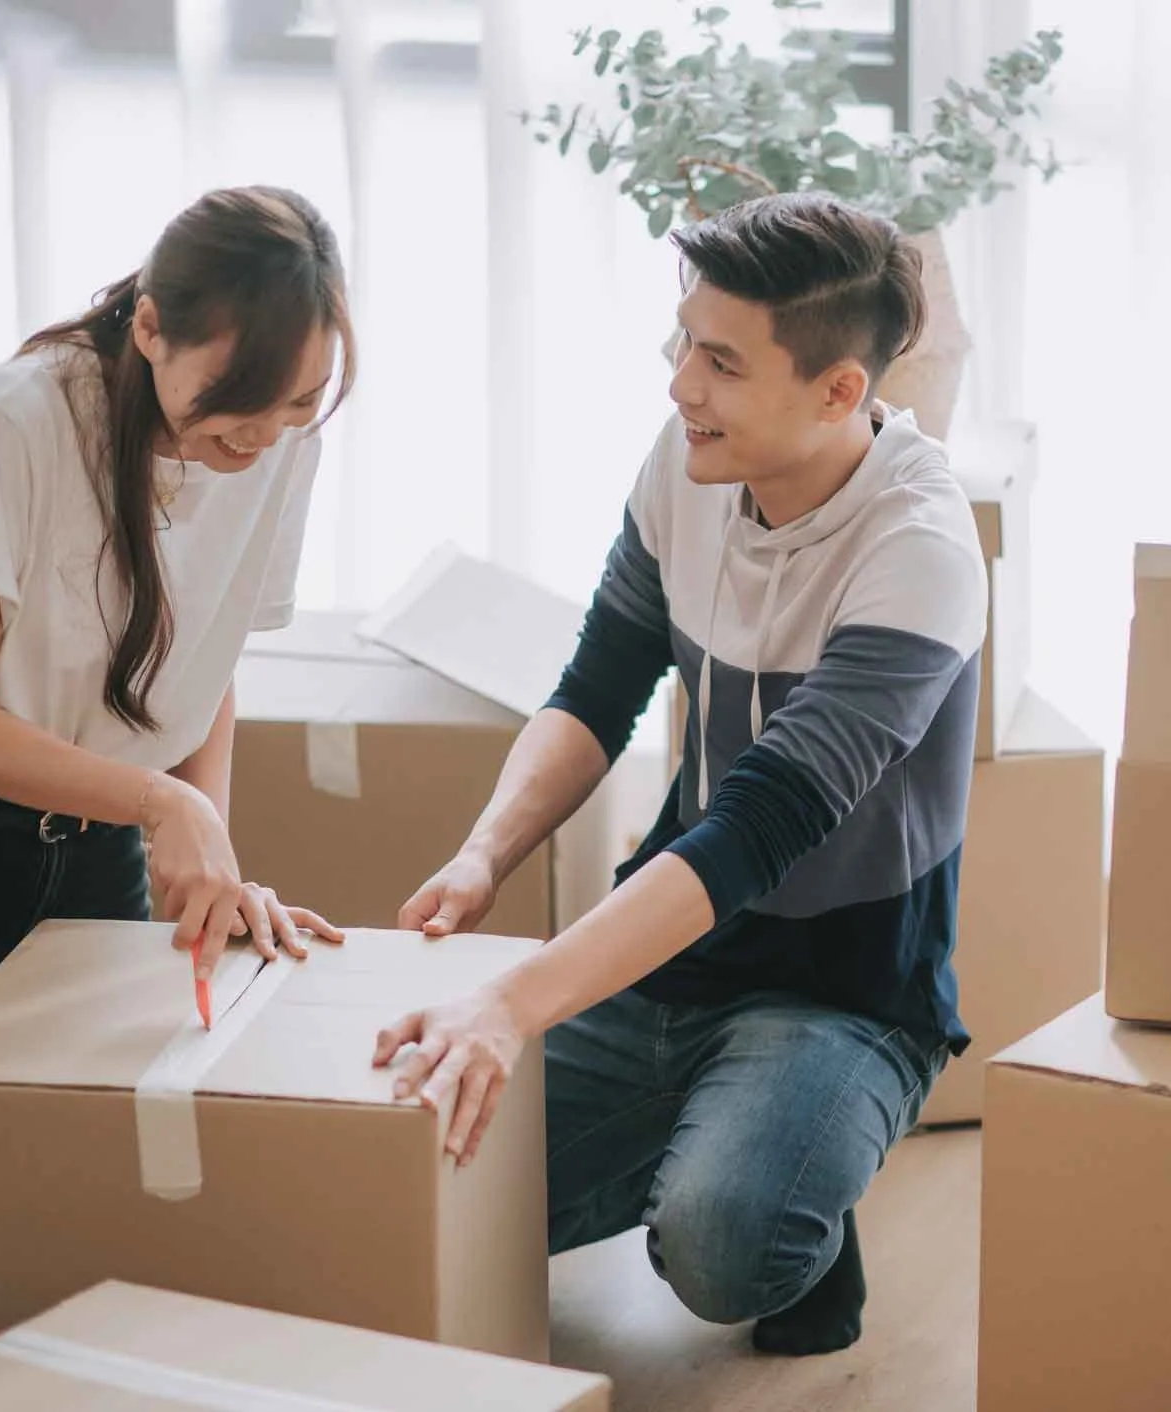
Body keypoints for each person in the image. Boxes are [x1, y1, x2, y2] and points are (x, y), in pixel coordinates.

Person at [375, 191, 988, 1356]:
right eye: (681, 343)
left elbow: (761, 824)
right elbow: (596, 688)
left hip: (841, 995)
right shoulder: (687, 466)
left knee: (720, 1244)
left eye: (718, 361)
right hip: (671, 957)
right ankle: (726, 1128)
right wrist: (481, 852)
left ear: (839, 392)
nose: (678, 387)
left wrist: (515, 999)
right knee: (415, 1177)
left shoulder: (919, 551)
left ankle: (778, 1166)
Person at [0, 185, 355, 1411]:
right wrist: (165, 808)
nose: (262, 437)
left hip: (91, 844)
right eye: (236, 407)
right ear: (148, 326)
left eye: (300, 404)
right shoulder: (12, 423)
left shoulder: (277, 430)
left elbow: (208, 657)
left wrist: (205, 838)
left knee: (52, 1219)